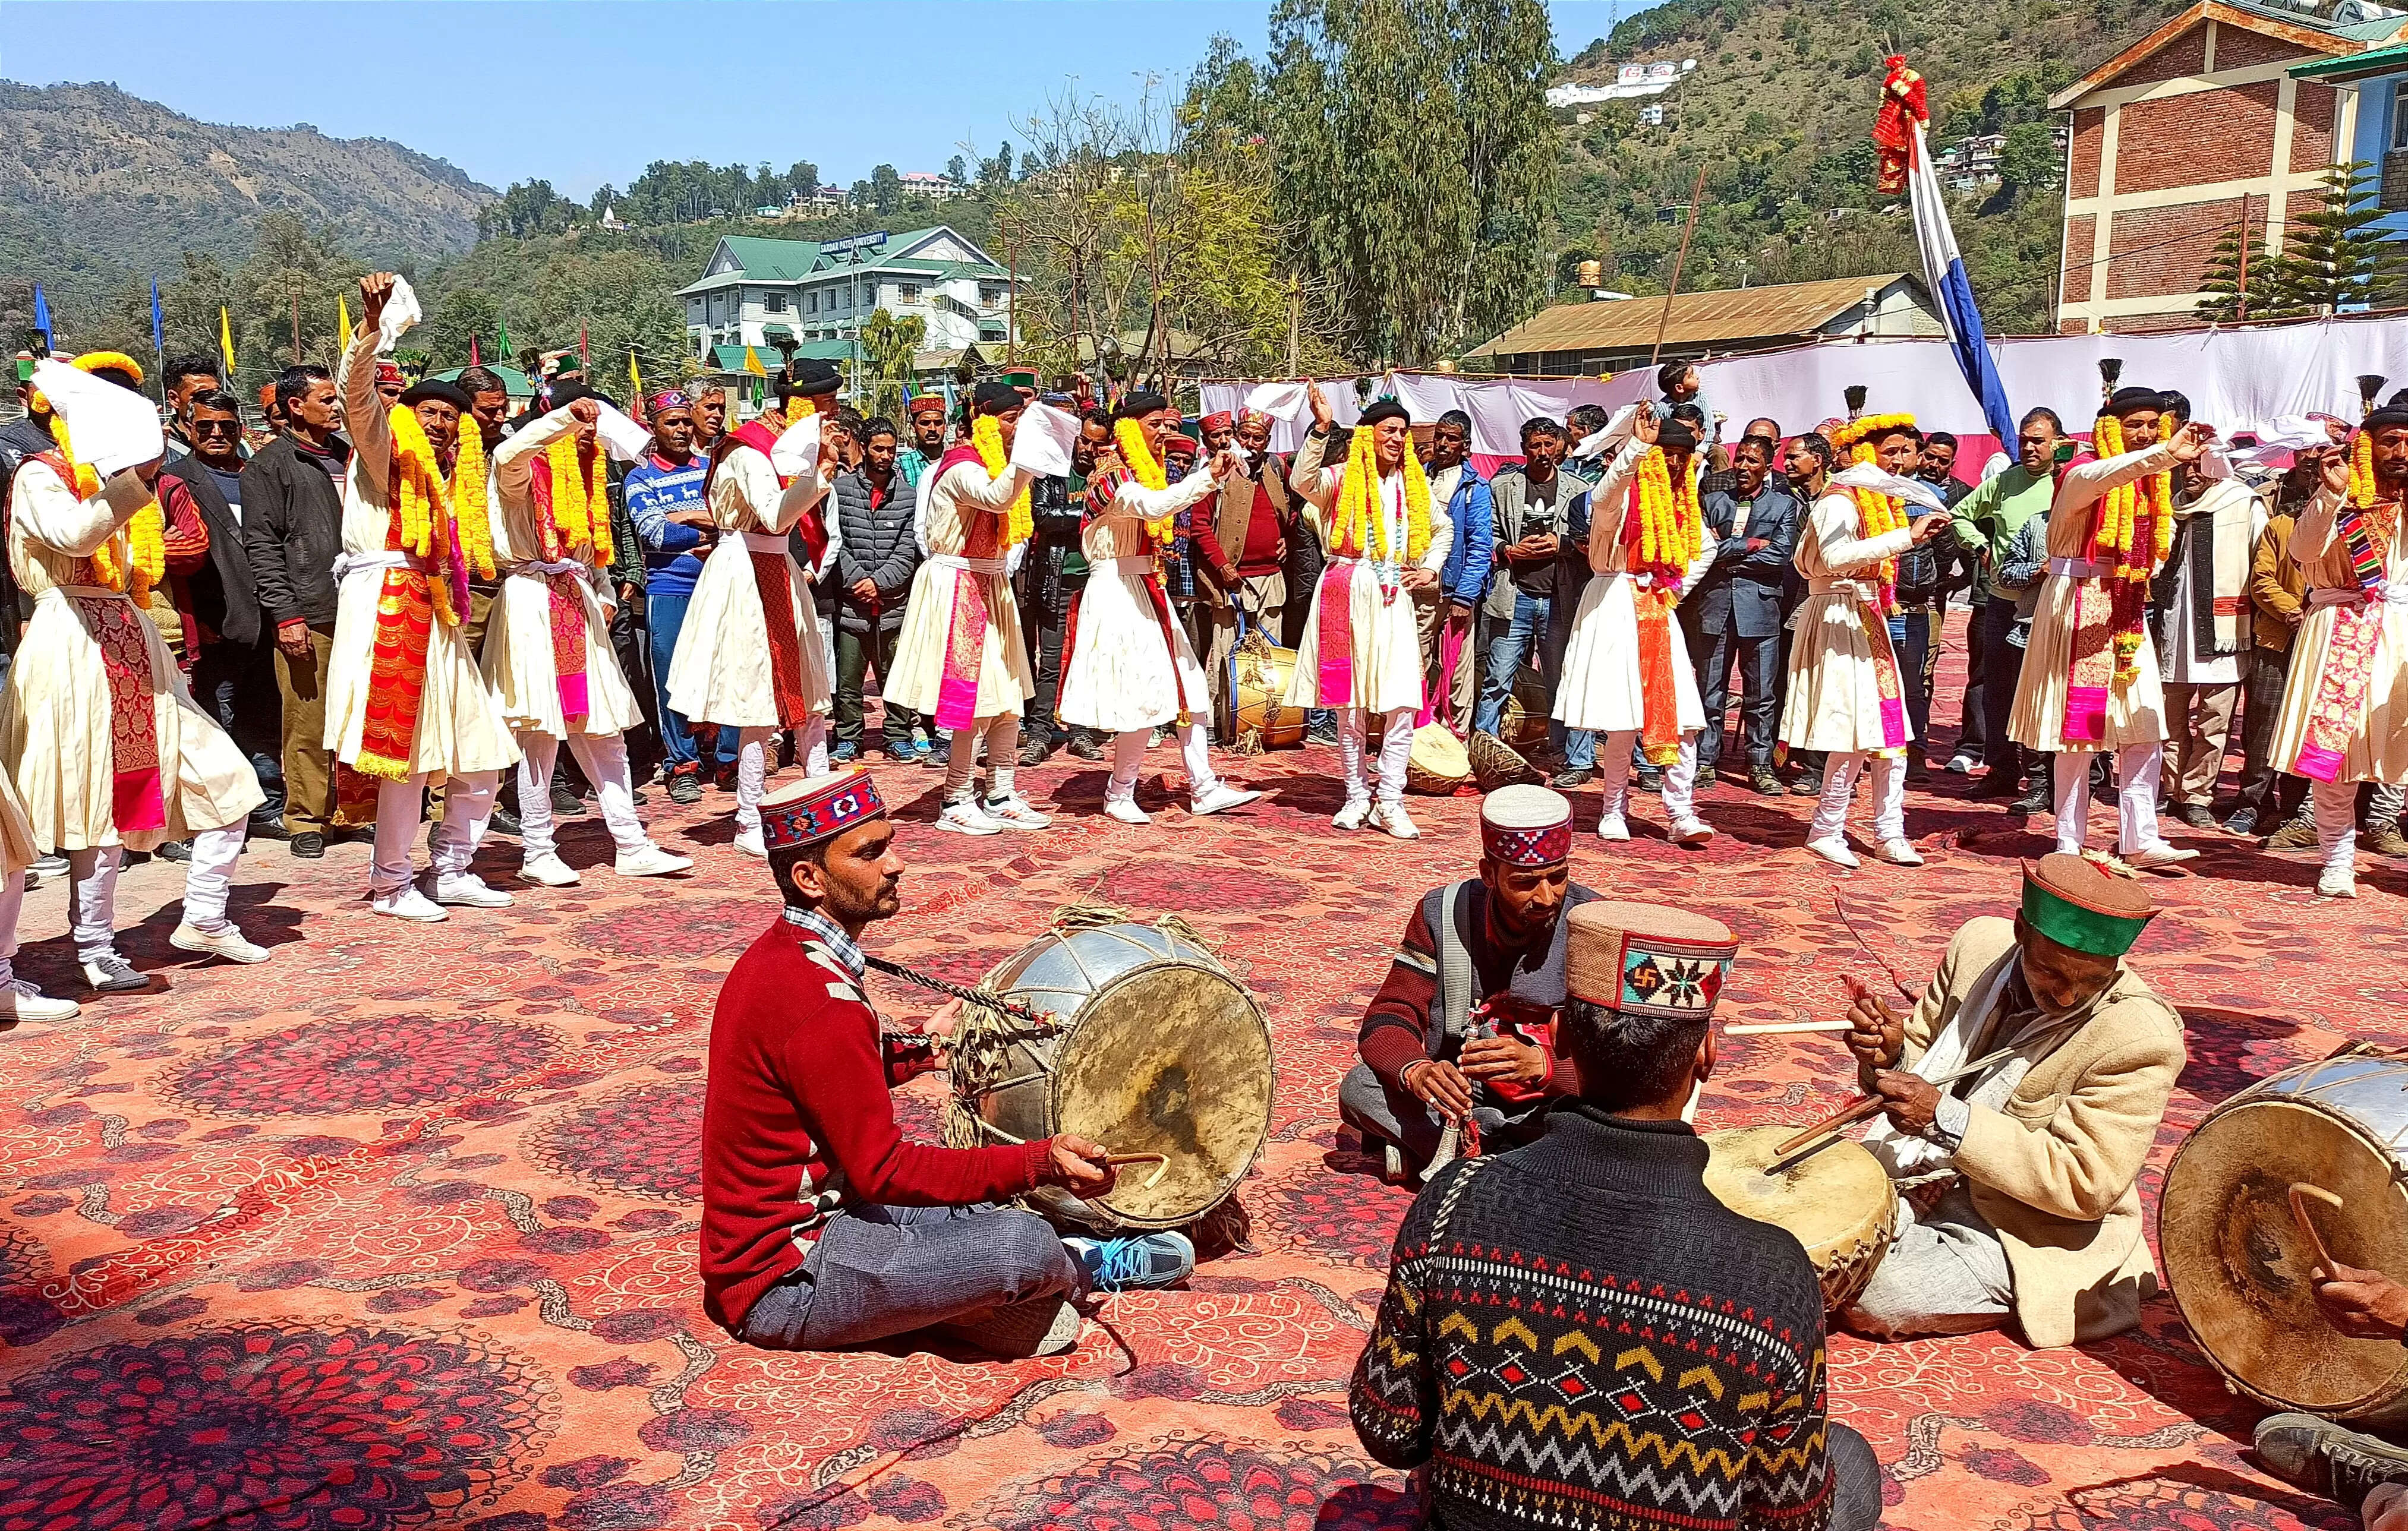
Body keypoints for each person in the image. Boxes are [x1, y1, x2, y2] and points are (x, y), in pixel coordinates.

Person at [1351, 895, 1884, 1531]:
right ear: (1707, 1055)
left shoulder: (1451, 1202)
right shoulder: (1772, 1273)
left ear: (1567, 1040)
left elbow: (1388, 1430)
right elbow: (1788, 1518)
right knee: (1848, 1459)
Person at [700, 767, 1194, 1358]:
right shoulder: (813, 1000)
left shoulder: (789, 956)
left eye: (889, 845)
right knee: (1019, 1243)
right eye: (870, 853)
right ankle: (1070, 1268)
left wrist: (925, 1052)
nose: (895, 864)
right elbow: (883, 1171)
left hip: (841, 1213)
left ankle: (972, 1303)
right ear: (809, 878)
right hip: (788, 1277)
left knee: (979, 1200)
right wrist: (1042, 1161)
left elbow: (826, 1073)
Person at [0, 351, 272, 987]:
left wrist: (135, 481)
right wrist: (135, 481)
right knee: (103, 802)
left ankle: (203, 915)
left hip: (131, 635)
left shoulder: (120, 478)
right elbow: (72, 537)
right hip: (75, 642)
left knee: (226, 781)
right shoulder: (44, 475)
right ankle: (94, 948)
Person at [1840, 853, 2183, 1346]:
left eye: (2093, 980)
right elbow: (1927, 1059)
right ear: (2022, 930)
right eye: (2052, 972)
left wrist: (1945, 1118)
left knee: (1879, 1293)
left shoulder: (2140, 1038)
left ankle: (2029, 1289)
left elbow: (2086, 1183)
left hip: (2026, 1221)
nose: (2068, 996)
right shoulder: (1977, 946)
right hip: (1927, 1165)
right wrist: (1891, 1055)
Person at [322, 285, 524, 918]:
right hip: (386, 607)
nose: (439, 424)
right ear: (406, 418)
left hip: (433, 613)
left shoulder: (439, 486)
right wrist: (371, 329)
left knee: (483, 750)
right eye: (428, 413)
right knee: (406, 762)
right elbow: (358, 399)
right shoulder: (383, 456)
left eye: (450, 418)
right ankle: (391, 884)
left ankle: (455, 867)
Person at [487, 387, 692, 885]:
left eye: (594, 432)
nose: (589, 439)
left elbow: (592, 550)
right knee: (538, 734)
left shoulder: (590, 475)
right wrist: (564, 418)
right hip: (534, 602)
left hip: (578, 604)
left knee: (603, 731)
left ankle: (631, 842)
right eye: (582, 430)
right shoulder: (521, 471)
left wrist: (601, 589)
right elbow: (508, 453)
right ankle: (538, 848)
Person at [1340, 784, 1598, 1179]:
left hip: (1552, 1104)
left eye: (1558, 877)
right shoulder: (1440, 913)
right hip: (1460, 1101)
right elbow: (1390, 1017)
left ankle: (1454, 1163)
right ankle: (1505, 1167)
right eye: (1526, 882)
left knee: (1605, 1121)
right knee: (1360, 1087)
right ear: (1489, 873)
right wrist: (1419, 1071)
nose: (1547, 896)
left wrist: (1545, 1067)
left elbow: (1629, 1060)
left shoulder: (1597, 925)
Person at [2009, 387, 2212, 869]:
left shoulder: (2148, 489)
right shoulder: (2082, 473)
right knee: (2079, 729)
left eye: (2150, 425)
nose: (2143, 434)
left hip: (2125, 604)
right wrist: (2162, 454)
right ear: (2108, 428)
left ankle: (2141, 838)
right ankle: (2067, 839)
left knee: (2145, 724)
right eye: (2132, 426)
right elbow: (2110, 473)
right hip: (2077, 603)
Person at [1059, 392, 1260, 825]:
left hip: (1148, 586)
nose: (1165, 433)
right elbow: (1153, 506)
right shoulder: (1111, 475)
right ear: (1128, 428)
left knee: (1190, 686)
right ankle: (1119, 791)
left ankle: (1203, 786)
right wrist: (1207, 478)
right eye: (1155, 425)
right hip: (1117, 591)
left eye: (1168, 425)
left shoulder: (1146, 473)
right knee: (1141, 696)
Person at [665, 363, 841, 856]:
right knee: (755, 698)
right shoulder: (749, 449)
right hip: (746, 571)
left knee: (807, 689)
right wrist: (821, 474)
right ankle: (748, 817)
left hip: (777, 567)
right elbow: (772, 514)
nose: (833, 418)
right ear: (802, 406)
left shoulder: (784, 445)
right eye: (827, 407)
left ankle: (821, 800)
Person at [1782, 419, 1955, 867]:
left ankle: (1888, 831)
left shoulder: (1880, 501)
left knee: (1889, 732)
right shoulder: (1838, 500)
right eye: (1890, 451)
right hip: (1839, 614)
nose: (1899, 461)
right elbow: (1836, 558)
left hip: (1868, 615)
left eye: (1904, 452)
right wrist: (1906, 538)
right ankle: (1827, 827)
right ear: (1859, 453)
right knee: (1852, 730)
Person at [884, 380, 1050, 834]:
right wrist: (1031, 456)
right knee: (969, 699)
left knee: (1008, 696)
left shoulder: (997, 465)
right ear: (984, 419)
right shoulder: (961, 466)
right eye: (1012, 419)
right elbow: (998, 497)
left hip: (991, 582)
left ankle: (1000, 791)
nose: (1019, 428)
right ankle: (955, 798)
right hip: (958, 584)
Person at [1287, 384, 1452, 836]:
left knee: (1401, 702)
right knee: (1350, 705)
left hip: (1394, 592)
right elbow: (1301, 482)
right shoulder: (1339, 477)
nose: (1398, 440)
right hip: (1346, 587)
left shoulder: (1414, 485)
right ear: (1368, 436)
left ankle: (1391, 800)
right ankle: (1357, 796)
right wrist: (1321, 429)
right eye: (1389, 431)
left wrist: (1431, 569)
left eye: (1403, 432)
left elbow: (1443, 528)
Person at [1553, 405, 1719, 845]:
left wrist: (1675, 588)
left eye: (1685, 455)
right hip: (1614, 603)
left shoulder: (1682, 505)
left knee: (1683, 715)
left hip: (1659, 609)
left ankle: (1681, 812)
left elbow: (1704, 548)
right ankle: (1613, 809)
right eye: (1668, 453)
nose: (1677, 463)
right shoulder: (1621, 497)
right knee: (1621, 717)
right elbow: (1606, 495)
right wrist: (1636, 448)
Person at [2268, 413, 2408, 897]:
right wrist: (2330, 494)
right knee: (2337, 757)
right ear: (2369, 447)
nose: (2402, 453)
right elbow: (2304, 552)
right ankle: (2338, 859)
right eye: (2391, 442)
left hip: (2400, 634)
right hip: (2341, 629)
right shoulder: (2339, 500)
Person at [156, 389, 285, 842]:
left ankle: (267, 806)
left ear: (240, 429)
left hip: (268, 621)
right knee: (217, 723)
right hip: (214, 624)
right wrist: (191, 619)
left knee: (264, 717)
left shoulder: (259, 474)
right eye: (206, 426)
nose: (217, 434)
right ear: (188, 427)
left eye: (227, 426)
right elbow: (169, 564)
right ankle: (222, 817)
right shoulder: (172, 481)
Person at [241, 362, 350, 857]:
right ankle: (306, 817)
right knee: (308, 718)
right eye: (326, 398)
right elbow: (262, 546)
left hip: (366, 605)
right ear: (294, 407)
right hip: (311, 608)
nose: (336, 406)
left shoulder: (349, 456)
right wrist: (286, 614)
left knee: (360, 713)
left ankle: (355, 809)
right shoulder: (268, 467)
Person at [1950, 408, 2065, 813]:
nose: (2030, 447)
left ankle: (2046, 779)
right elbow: (1960, 515)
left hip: (2049, 605)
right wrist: (1980, 548)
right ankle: (2001, 769)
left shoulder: (2066, 481)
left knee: (2041, 693)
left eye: (2039, 440)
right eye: (2025, 439)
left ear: (2058, 442)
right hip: (2002, 599)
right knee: (1998, 690)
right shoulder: (2004, 481)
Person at [2153, 423, 2266, 832]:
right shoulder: (2172, 506)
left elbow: (2261, 563)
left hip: (2225, 632)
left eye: (2201, 465)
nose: (2193, 473)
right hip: (2173, 630)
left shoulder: (2244, 503)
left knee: (2215, 722)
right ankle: (2170, 791)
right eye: (2187, 466)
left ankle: (2198, 795)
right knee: (2169, 720)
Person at [622, 388, 733, 803]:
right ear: (654, 426)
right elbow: (655, 533)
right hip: (669, 587)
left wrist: (685, 517)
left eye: (687, 421)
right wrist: (706, 526)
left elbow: (734, 520)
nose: (683, 429)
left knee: (725, 672)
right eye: (673, 422)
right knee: (671, 680)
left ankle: (728, 760)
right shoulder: (640, 478)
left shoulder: (712, 468)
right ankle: (682, 764)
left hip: (719, 582)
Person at [1688, 431, 1801, 794]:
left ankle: (1760, 765)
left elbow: (1780, 556)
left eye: (1753, 461)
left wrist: (1728, 554)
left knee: (1761, 693)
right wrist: (1747, 544)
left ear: (1767, 467)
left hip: (1761, 609)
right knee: (1710, 690)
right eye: (1740, 459)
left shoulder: (1784, 505)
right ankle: (1705, 761)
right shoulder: (1713, 500)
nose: (1743, 467)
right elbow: (1701, 553)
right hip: (1715, 606)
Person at [1473, 418, 1574, 772]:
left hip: (1559, 600)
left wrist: (1560, 545)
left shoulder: (1577, 489)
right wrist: (1509, 550)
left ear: (1560, 446)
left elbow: (1587, 540)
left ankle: (1561, 752)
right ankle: (1483, 748)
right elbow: (1486, 534)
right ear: (1524, 448)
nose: (1543, 453)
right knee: (1498, 677)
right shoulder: (1502, 487)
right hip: (1513, 595)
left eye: (1549, 445)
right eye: (1536, 446)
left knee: (1560, 680)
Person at [824, 417, 921, 762]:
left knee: (894, 676)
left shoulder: (909, 496)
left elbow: (909, 548)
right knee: (848, 678)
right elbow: (836, 543)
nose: (885, 456)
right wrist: (857, 582)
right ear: (864, 448)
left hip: (893, 602)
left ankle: (898, 734)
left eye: (891, 449)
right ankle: (849, 735)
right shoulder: (840, 490)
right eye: (878, 448)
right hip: (853, 605)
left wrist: (880, 582)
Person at [2231, 457, 2315, 839]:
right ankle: (2252, 804)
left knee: (2308, 724)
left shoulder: (2351, 534)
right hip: (2279, 637)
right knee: (2264, 721)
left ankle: (2296, 810)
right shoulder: (2280, 527)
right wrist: (2293, 613)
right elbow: (2261, 580)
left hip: (2326, 641)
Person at [1203, 407, 1300, 737]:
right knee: (1224, 652)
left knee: (1270, 656)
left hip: (1271, 578)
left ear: (1267, 441)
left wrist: (1286, 539)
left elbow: (1291, 514)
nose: (1249, 443)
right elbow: (1201, 528)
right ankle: (1219, 725)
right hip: (1231, 581)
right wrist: (1223, 566)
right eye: (1243, 436)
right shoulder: (1214, 473)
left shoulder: (1277, 469)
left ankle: (1264, 723)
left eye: (1257, 438)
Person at [1018, 408, 1107, 766]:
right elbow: (1045, 517)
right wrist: (1092, 513)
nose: (1089, 449)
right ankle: (1039, 734)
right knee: (1051, 661)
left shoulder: (1110, 477)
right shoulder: (1053, 472)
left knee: (1087, 661)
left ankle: (1081, 733)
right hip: (1057, 580)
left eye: (1098, 444)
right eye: (1084, 440)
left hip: (1097, 583)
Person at [1423, 409, 1492, 733]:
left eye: (1452, 439)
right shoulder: (1416, 478)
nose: (1443, 444)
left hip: (1455, 589)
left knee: (1458, 671)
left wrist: (1465, 596)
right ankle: (1413, 735)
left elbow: (1480, 547)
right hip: (1417, 586)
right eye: (1439, 436)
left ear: (1466, 446)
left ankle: (1456, 736)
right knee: (1413, 663)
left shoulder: (1475, 488)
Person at [159, 355, 223, 462]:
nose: (211, 400)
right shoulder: (157, 451)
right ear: (174, 399)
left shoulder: (237, 445)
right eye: (201, 394)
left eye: (216, 393)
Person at [896, 392, 950, 491]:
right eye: (925, 423)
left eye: (938, 423)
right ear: (913, 427)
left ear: (945, 426)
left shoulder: (957, 459)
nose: (932, 429)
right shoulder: (901, 466)